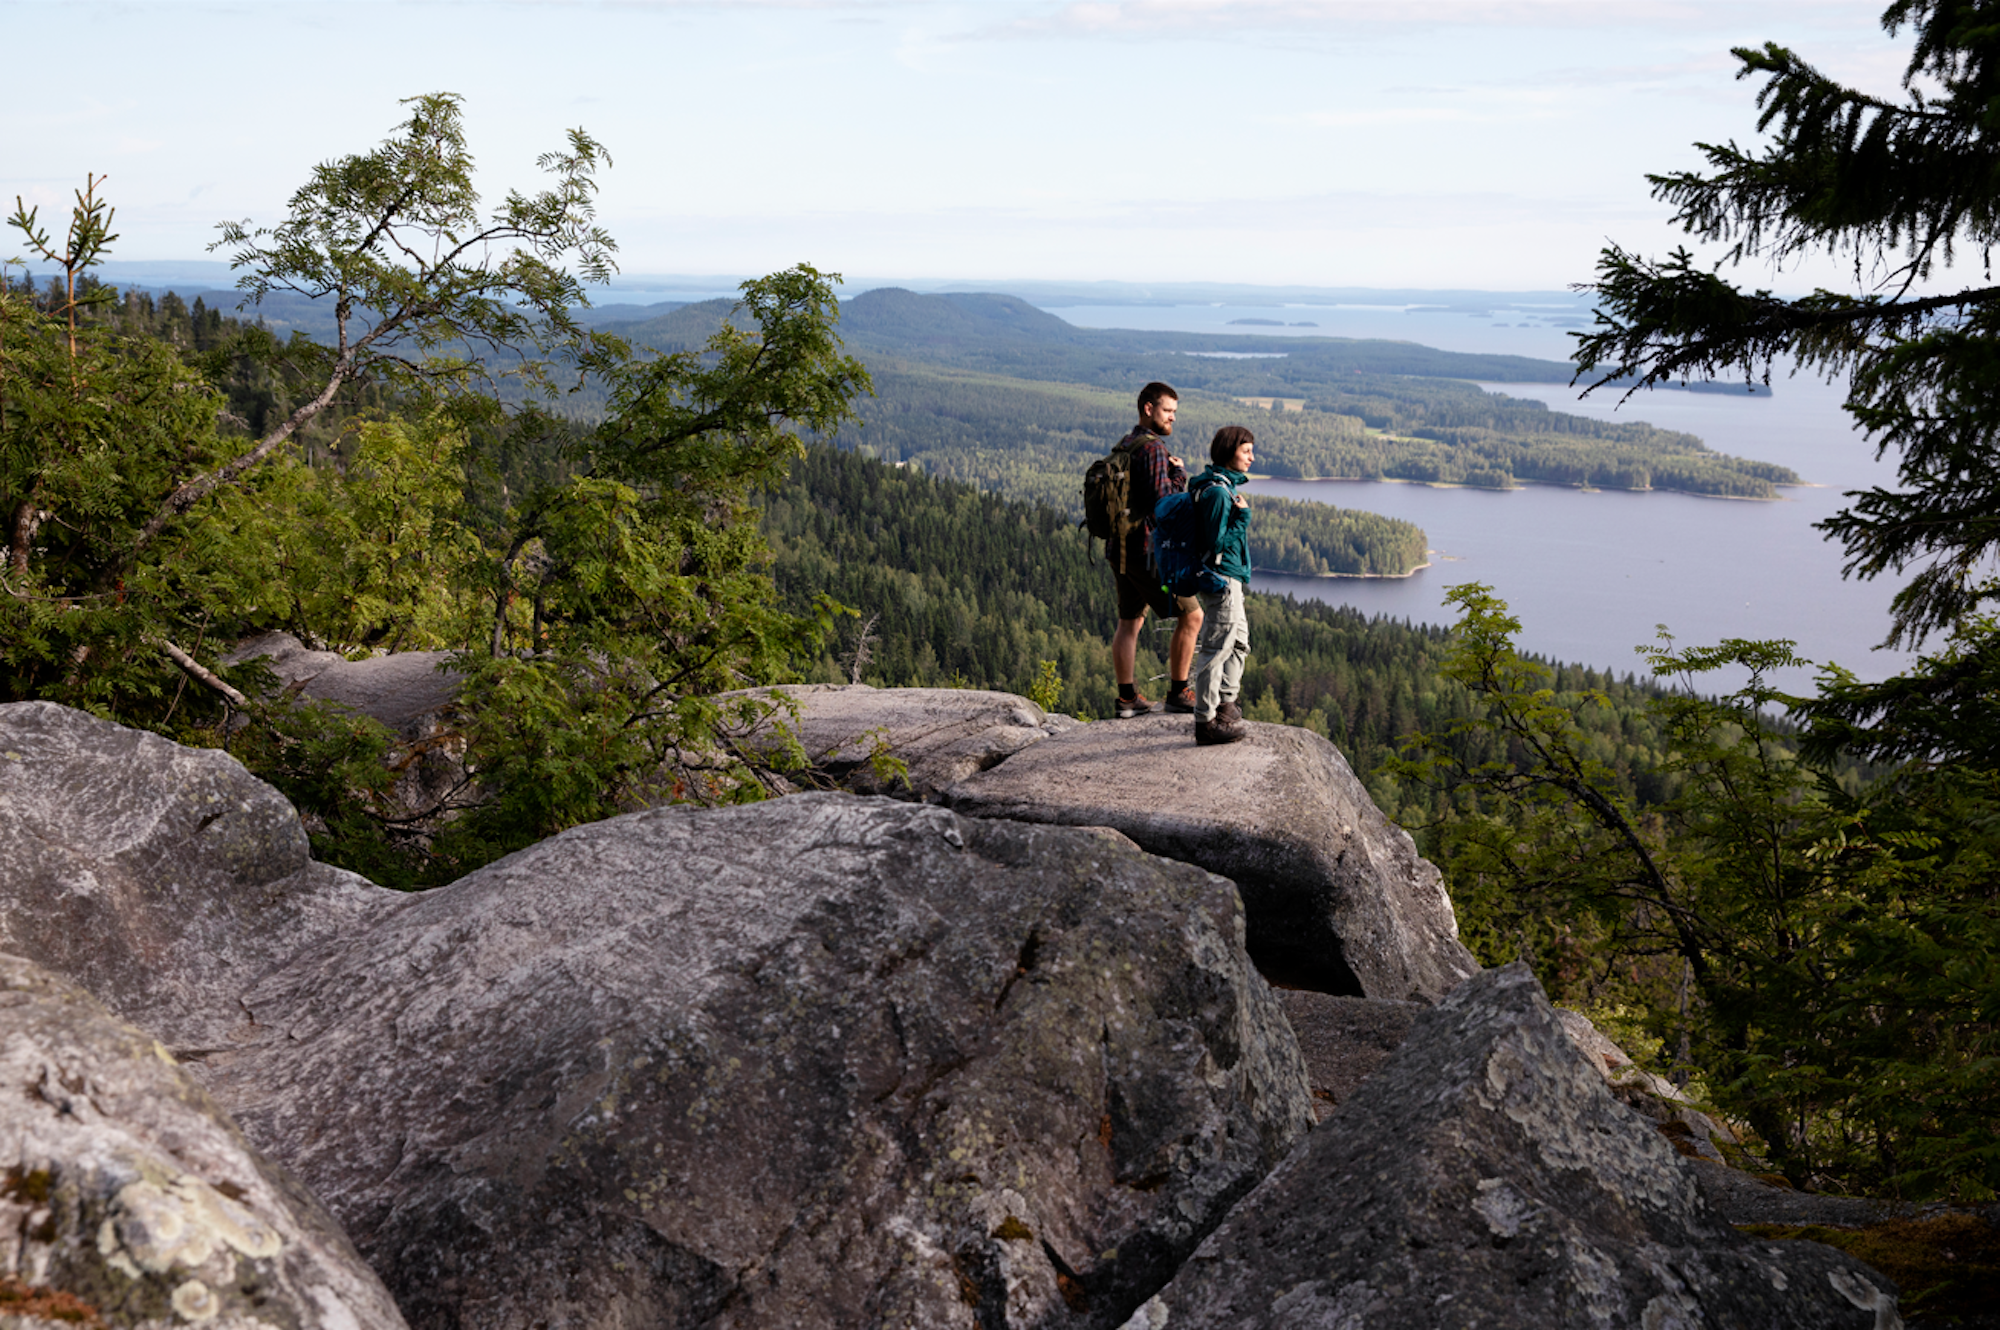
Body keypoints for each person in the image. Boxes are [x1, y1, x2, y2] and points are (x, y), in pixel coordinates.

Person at [1108, 382, 1203, 718]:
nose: (1172, 419)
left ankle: (1127, 699)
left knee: (1129, 621)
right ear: (1148, 409)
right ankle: (1179, 692)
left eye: (1174, 413)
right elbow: (1164, 507)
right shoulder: (1152, 450)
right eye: (1167, 411)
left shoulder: (1126, 444)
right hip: (1146, 551)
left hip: (1119, 547)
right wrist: (1178, 474)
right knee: (1192, 615)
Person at [1190, 425, 1256, 746]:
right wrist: (1243, 519)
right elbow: (1214, 544)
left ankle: (1226, 706)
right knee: (1216, 649)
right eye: (1247, 452)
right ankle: (1206, 722)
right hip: (1222, 580)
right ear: (1230, 451)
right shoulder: (1218, 492)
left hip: (1232, 579)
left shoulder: (1225, 488)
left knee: (1239, 642)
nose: (1252, 458)